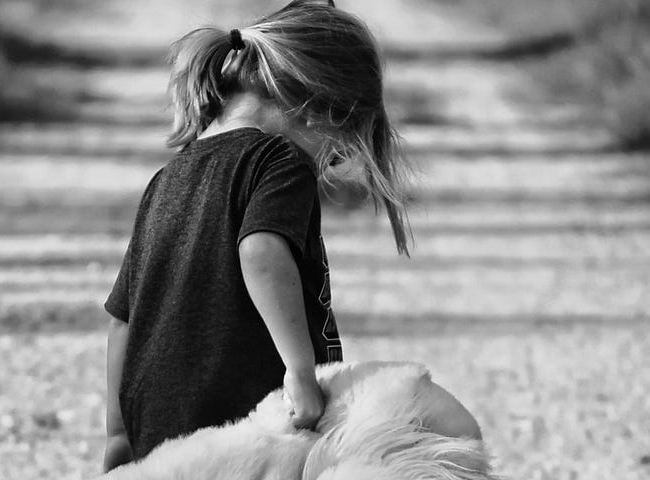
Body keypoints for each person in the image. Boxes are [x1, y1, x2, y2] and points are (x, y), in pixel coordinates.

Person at [101, 0, 415, 472]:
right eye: (336, 150)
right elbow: (261, 250)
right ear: (315, 106)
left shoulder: (168, 177)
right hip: (248, 424)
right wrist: (300, 370)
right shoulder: (279, 162)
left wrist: (118, 430)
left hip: (159, 433)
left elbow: (124, 318)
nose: (328, 163)